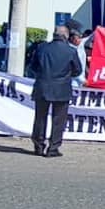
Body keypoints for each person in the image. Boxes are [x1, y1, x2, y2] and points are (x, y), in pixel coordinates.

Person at [27, 25, 83, 158]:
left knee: (40, 118)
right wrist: (66, 75)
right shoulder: (71, 51)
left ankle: (39, 145)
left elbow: (33, 67)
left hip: (42, 86)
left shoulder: (42, 48)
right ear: (66, 36)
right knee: (59, 120)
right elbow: (77, 70)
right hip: (62, 88)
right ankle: (53, 148)